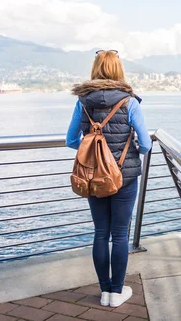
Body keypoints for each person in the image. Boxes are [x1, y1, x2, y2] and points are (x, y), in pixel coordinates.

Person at [66, 50, 152, 308]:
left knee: (101, 233)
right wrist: (131, 147)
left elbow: (71, 141)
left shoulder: (83, 102)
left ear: (95, 69)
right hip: (124, 178)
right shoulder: (129, 102)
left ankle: (104, 291)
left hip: (94, 178)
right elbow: (146, 144)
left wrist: (93, 147)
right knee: (120, 235)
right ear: (118, 70)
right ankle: (117, 292)